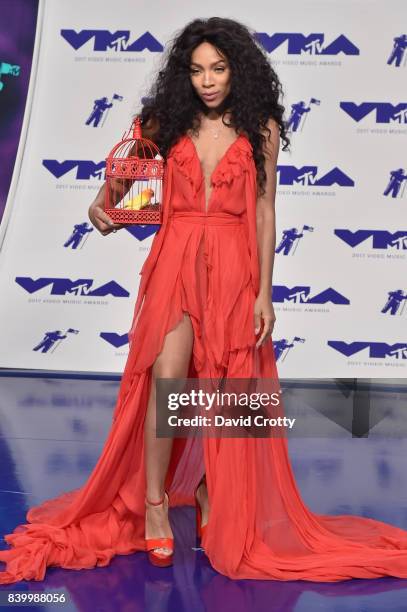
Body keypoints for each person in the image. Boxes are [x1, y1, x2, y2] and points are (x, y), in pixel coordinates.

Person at [1, 17, 407, 585]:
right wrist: (104, 210)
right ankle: (154, 502)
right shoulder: (166, 122)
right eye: (196, 70)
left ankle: (213, 489)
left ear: (237, 69)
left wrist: (264, 292)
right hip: (176, 260)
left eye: (218, 68)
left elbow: (265, 213)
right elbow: (117, 190)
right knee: (168, 380)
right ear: (184, 75)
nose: (208, 80)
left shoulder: (260, 126)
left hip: (236, 267)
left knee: (229, 385)